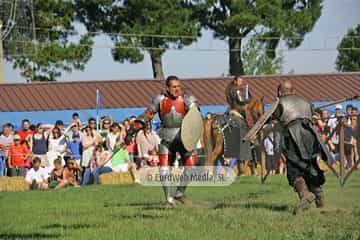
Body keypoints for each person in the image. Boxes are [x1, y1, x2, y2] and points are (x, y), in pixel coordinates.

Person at [268, 80, 332, 214]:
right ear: (293, 91)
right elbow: (311, 113)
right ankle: (320, 200)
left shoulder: (280, 102)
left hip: (294, 135)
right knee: (310, 167)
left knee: (294, 170)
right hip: (311, 135)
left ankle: (305, 195)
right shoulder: (305, 101)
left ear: (279, 92)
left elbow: (270, 118)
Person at [135, 75, 198, 205]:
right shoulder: (160, 100)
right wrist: (134, 127)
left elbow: (195, 114)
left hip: (184, 136)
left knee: (191, 164)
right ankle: (169, 198)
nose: (177, 89)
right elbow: (148, 114)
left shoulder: (187, 99)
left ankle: (180, 192)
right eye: (174, 87)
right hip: (166, 137)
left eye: (178, 86)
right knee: (164, 168)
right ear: (167, 88)